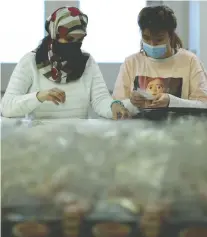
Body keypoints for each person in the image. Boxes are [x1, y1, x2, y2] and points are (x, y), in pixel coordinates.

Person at [1, 6, 130, 120]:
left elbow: (100, 100)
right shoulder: (30, 61)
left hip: (77, 139)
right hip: (38, 141)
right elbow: (7, 107)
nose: (74, 44)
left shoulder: (87, 62)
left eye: (79, 39)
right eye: (69, 38)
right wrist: (39, 96)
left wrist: (113, 106)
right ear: (54, 35)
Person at [112, 5, 207, 112]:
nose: (152, 44)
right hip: (138, 128)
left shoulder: (190, 61)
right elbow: (116, 104)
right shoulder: (131, 63)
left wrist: (172, 101)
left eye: (159, 39)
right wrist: (130, 102)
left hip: (179, 128)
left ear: (170, 36)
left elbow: (203, 104)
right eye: (146, 38)